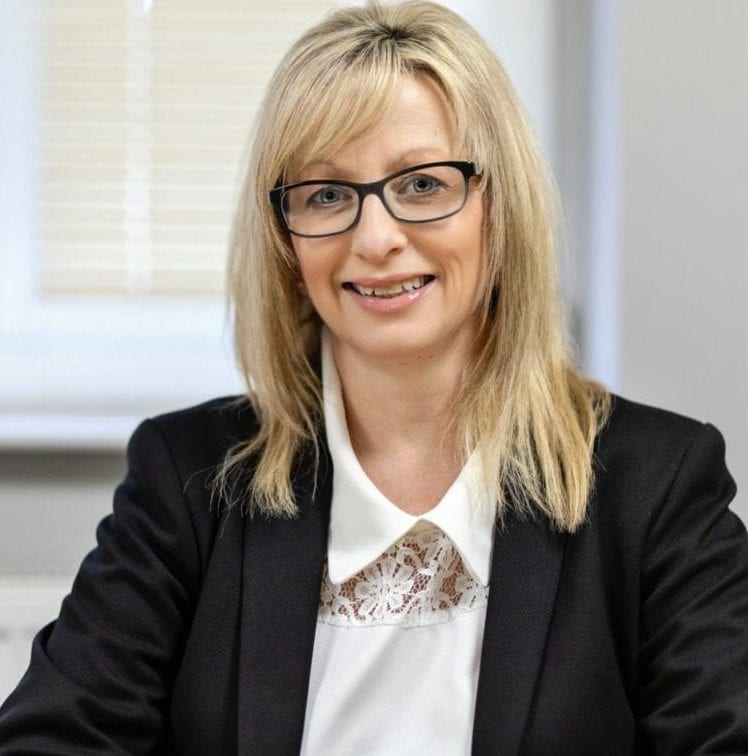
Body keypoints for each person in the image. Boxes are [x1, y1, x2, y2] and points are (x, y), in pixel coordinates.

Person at [1, 1, 747, 753]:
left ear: (502, 207)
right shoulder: (190, 478)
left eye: (423, 184)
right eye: (326, 194)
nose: (376, 238)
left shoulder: (657, 489)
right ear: (286, 240)